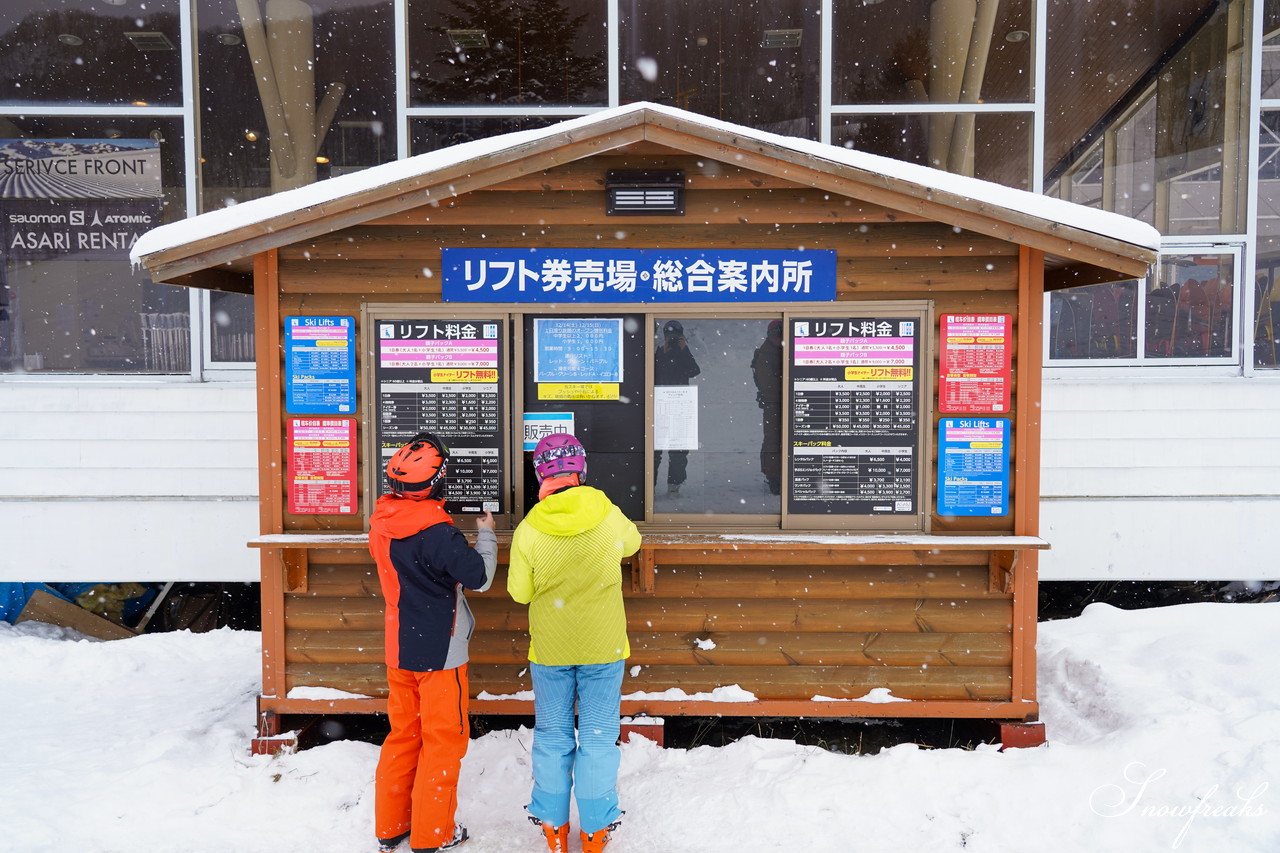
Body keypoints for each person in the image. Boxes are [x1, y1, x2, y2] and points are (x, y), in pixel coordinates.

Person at [508, 433, 642, 853]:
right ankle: (596, 828)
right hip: (603, 646)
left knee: (552, 735)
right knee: (599, 736)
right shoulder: (605, 512)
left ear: (540, 476)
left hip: (551, 649)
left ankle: (552, 825)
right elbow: (633, 543)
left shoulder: (530, 529)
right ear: (580, 470)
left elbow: (519, 593)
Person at [368, 433, 497, 853]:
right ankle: (432, 836)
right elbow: (479, 576)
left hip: (399, 647)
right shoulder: (439, 533)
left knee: (404, 736)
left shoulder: (382, 521)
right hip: (440, 653)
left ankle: (392, 826)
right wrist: (487, 535)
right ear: (437, 482)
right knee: (443, 743)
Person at [653, 319, 700, 496]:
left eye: (676, 336)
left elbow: (694, 371)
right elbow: (653, 374)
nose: (672, 339)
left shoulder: (683, 353)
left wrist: (684, 350)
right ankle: (650, 486)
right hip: (659, 407)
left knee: (679, 449)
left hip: (680, 407)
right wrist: (663, 354)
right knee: (654, 450)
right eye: (669, 335)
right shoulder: (658, 353)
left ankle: (675, 485)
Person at [750, 319, 784, 495]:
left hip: (782, 403)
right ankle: (774, 479)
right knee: (773, 441)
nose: (780, 339)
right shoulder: (766, 355)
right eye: (777, 335)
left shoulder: (780, 352)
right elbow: (769, 386)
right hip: (774, 405)